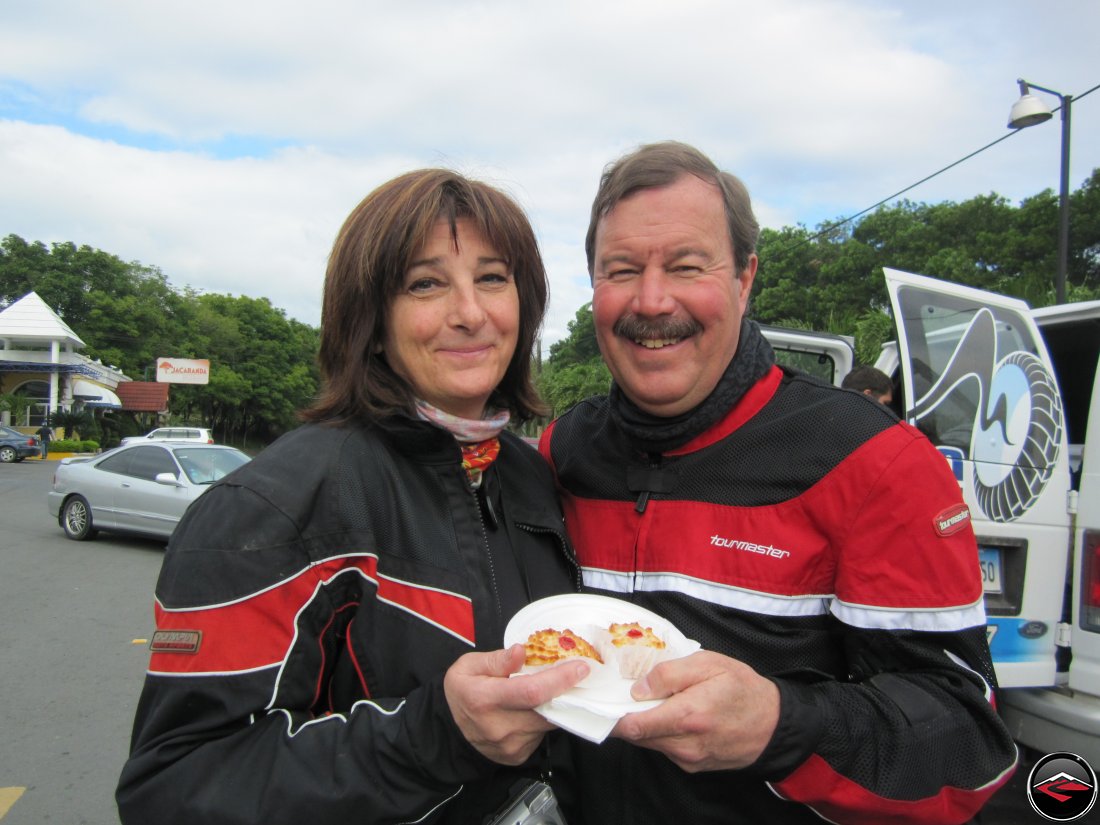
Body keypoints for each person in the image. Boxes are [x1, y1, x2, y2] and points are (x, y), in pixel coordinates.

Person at [539, 141, 1018, 824]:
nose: (651, 299)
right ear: (595, 286)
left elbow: (972, 746)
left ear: (743, 279)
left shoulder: (875, 460)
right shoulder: (564, 449)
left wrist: (781, 723)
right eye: (622, 270)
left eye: (686, 265)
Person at [117, 169, 590, 824]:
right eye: (426, 283)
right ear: (370, 318)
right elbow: (172, 787)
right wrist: (435, 735)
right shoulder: (272, 505)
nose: (471, 312)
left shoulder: (532, 475)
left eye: (492, 277)